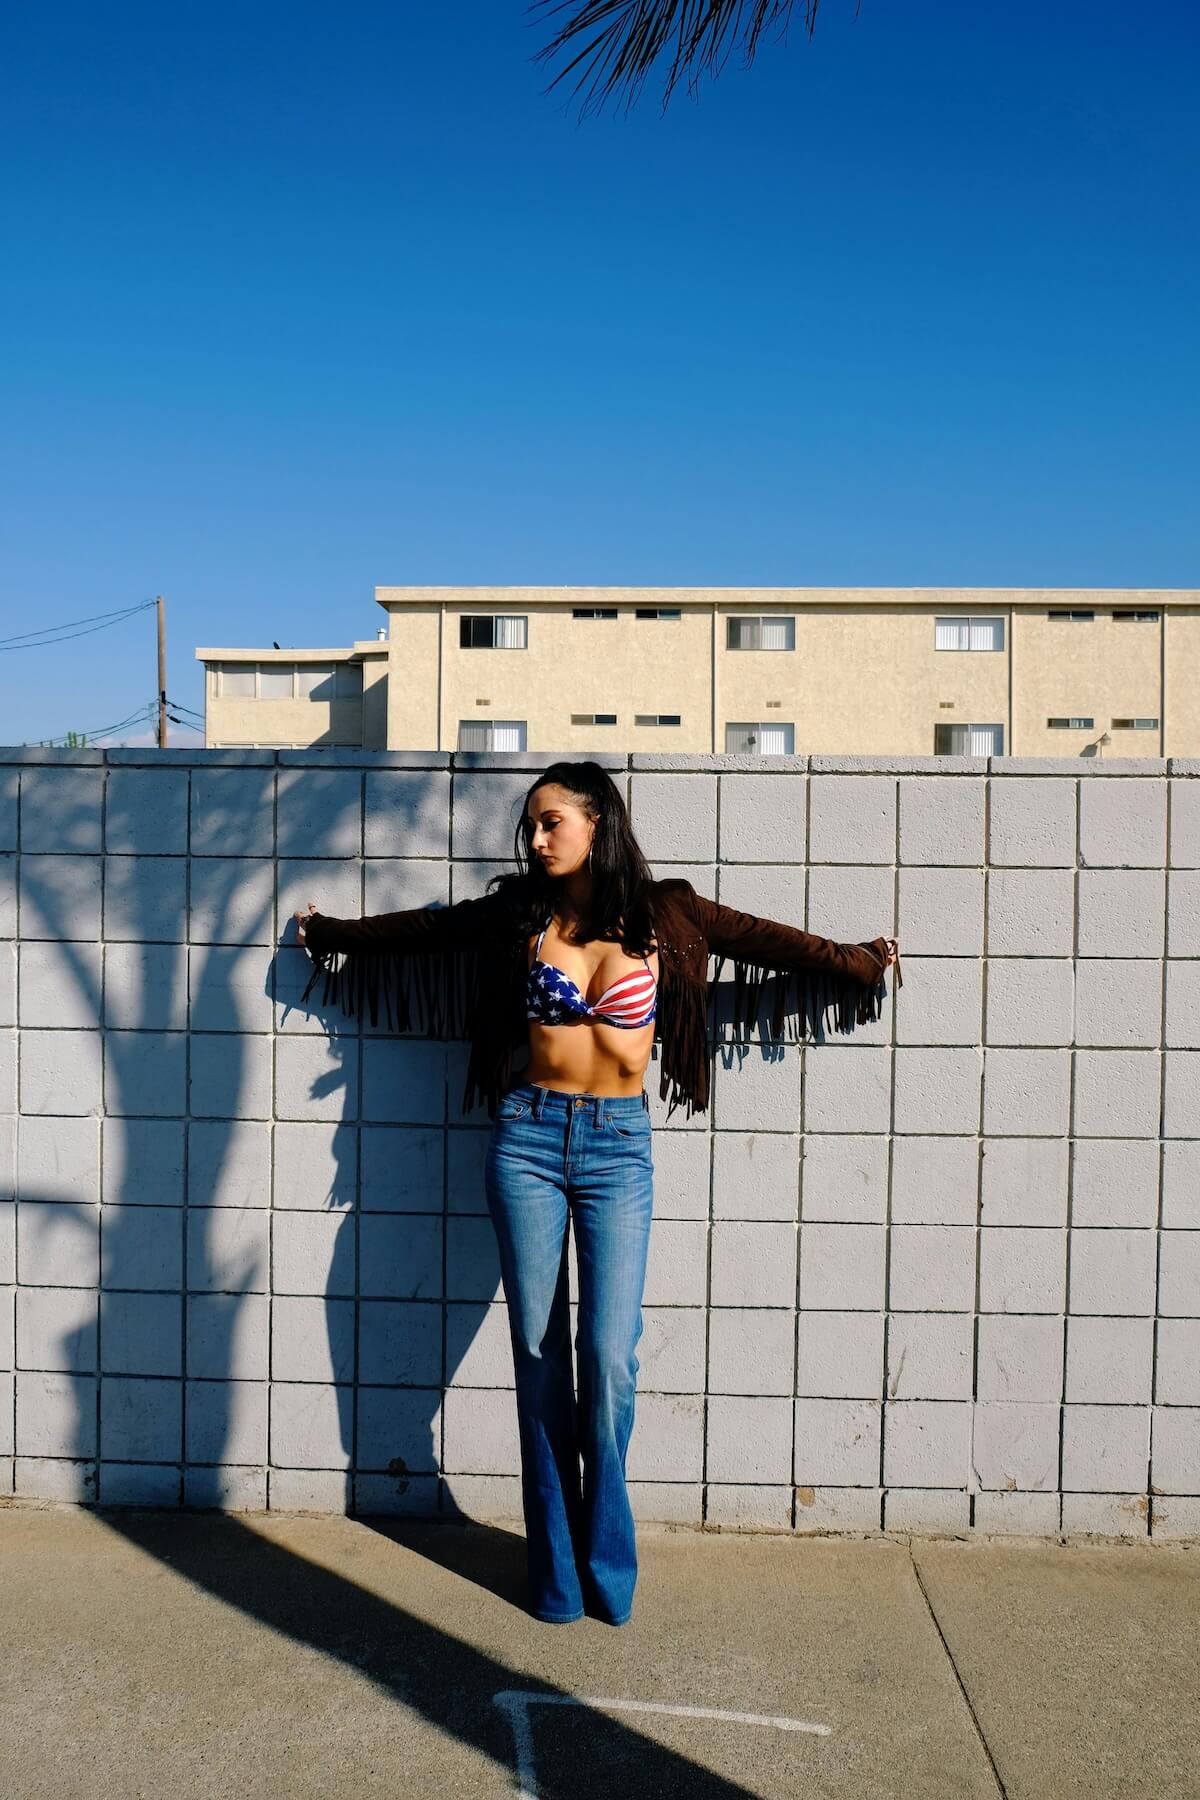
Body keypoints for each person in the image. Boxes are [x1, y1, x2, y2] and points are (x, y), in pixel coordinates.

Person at [293, 759, 900, 1627]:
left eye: (551, 823)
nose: (535, 839)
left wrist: (861, 960)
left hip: (619, 1149)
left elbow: (771, 942)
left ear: (596, 823)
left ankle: (604, 1557)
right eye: (531, 826)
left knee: (608, 1358)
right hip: (528, 1141)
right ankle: (557, 1577)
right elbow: (429, 930)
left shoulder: (670, 913)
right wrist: (335, 932)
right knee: (540, 1364)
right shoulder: (519, 914)